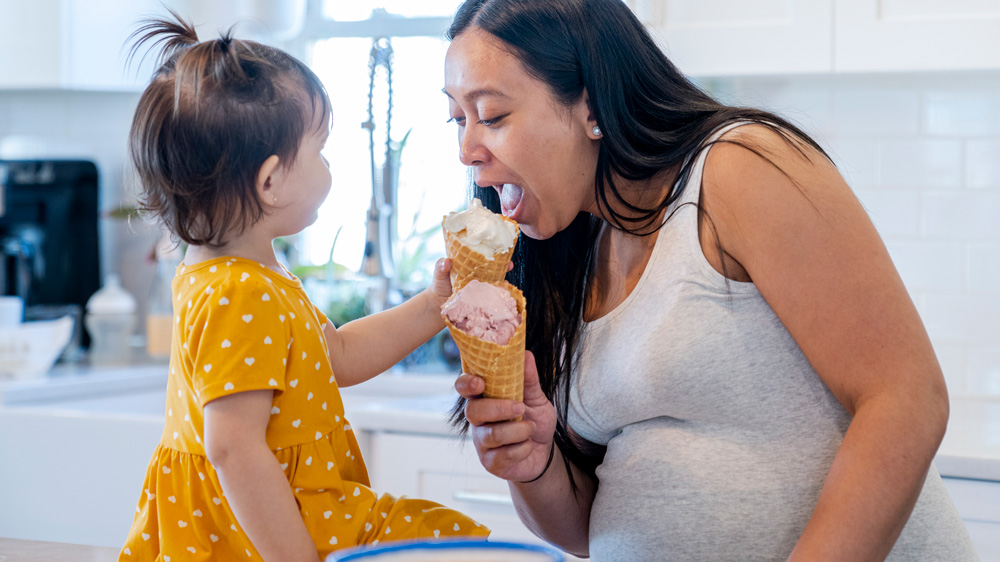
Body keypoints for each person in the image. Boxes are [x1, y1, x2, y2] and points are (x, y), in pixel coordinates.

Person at [443, 0, 978, 560]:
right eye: (458, 119)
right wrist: (536, 463)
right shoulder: (568, 251)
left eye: (493, 116)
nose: (466, 150)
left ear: (590, 103)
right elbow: (585, 527)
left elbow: (907, 398)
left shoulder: (738, 167)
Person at [118, 14, 488, 562]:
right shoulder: (240, 292)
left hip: (283, 514)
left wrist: (436, 304)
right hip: (273, 531)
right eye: (319, 150)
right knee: (458, 544)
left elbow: (335, 355)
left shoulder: (246, 276)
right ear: (269, 182)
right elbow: (233, 447)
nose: (328, 164)